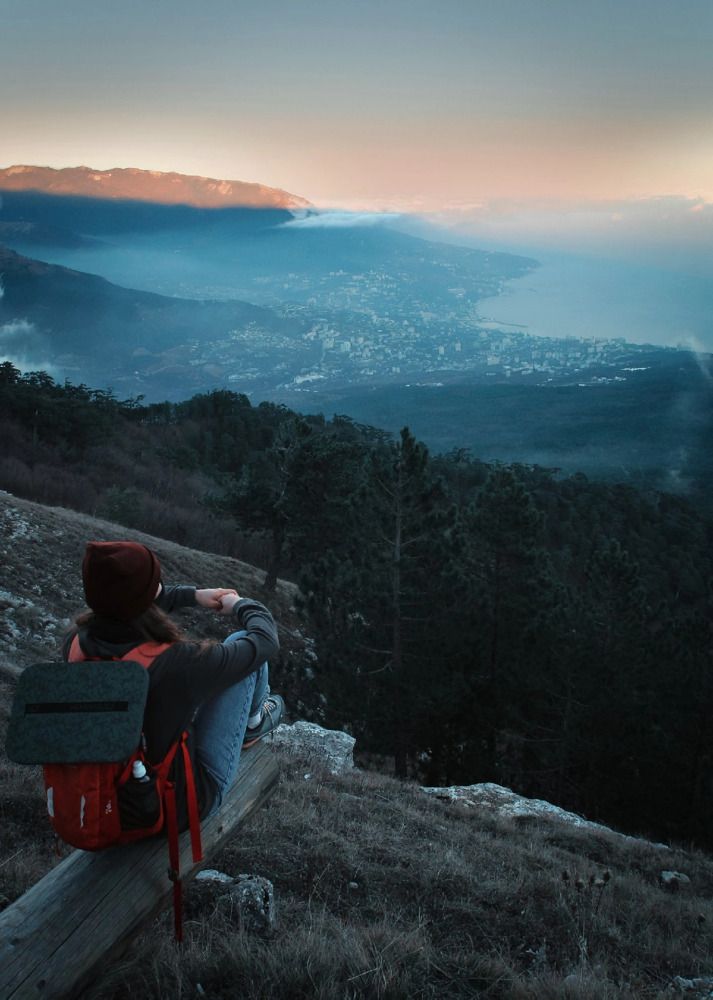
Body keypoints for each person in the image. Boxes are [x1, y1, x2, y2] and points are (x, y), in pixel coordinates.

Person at [63, 539, 284, 828]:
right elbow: (265, 641)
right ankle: (253, 723)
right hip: (179, 806)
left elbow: (124, 605)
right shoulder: (174, 663)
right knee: (240, 644)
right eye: (156, 581)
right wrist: (241, 604)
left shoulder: (76, 644)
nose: (161, 585)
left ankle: (252, 722)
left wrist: (192, 596)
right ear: (144, 597)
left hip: (106, 797)